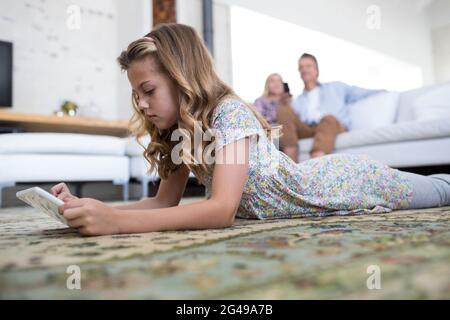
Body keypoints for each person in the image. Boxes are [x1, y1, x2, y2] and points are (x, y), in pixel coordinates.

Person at [50, 23, 450, 236]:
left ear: (181, 76)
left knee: (439, 192)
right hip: (318, 189)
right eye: (136, 94)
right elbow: (162, 204)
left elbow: (221, 210)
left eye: (148, 90)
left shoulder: (231, 115)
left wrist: (117, 223)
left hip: (343, 183)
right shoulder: (178, 132)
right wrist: (96, 209)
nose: (140, 103)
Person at [277, 53, 384, 162]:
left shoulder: (337, 87)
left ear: (316, 70)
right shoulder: (298, 100)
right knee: (282, 110)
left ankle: (315, 169)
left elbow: (361, 92)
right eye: (301, 67)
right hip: (309, 129)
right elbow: (292, 124)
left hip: (332, 125)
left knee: (328, 119)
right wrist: (285, 104)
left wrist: (386, 91)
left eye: (308, 66)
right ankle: (290, 168)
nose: (304, 70)